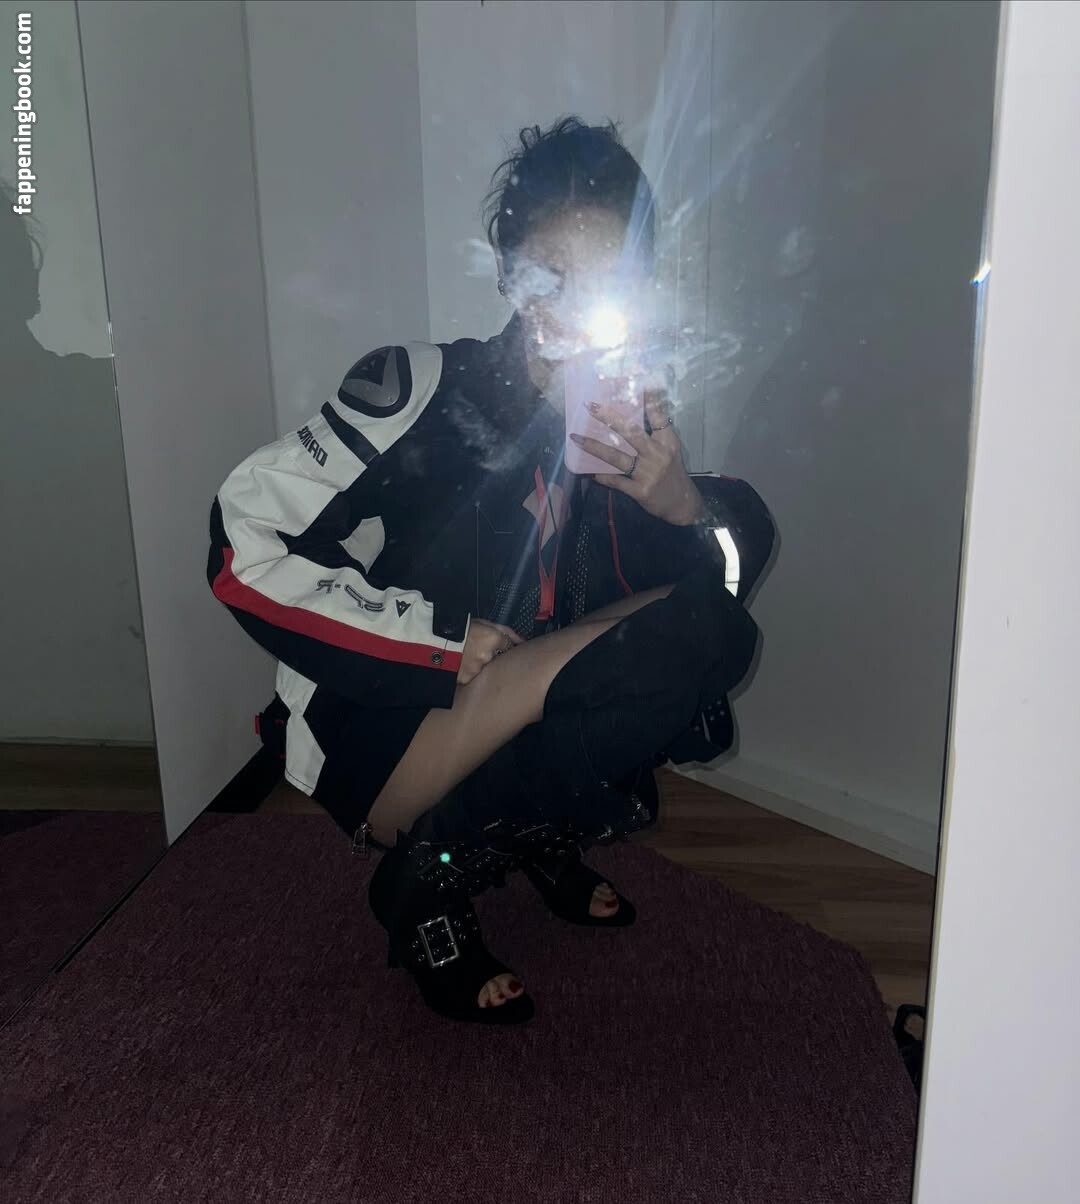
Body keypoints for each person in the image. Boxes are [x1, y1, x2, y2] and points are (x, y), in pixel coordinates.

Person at [207, 117, 773, 1026]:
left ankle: (534, 834)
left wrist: (681, 509)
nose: (573, 309)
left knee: (711, 612)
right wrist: (431, 641)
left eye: (607, 281)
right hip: (396, 726)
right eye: (552, 277)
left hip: (519, 692)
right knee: (673, 644)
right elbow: (244, 541)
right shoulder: (424, 388)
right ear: (508, 274)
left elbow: (712, 595)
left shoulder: (625, 424)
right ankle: (426, 880)